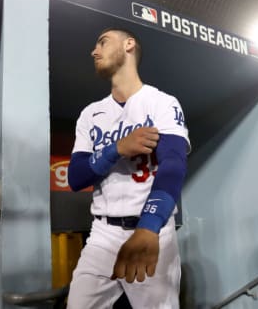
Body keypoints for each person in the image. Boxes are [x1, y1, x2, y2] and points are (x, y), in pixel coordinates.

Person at [66, 27, 190, 309]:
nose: (94, 51)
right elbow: (76, 177)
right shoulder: (90, 114)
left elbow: (173, 164)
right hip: (102, 233)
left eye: (102, 42)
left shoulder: (161, 102)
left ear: (129, 45)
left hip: (152, 228)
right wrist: (116, 149)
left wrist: (149, 227)